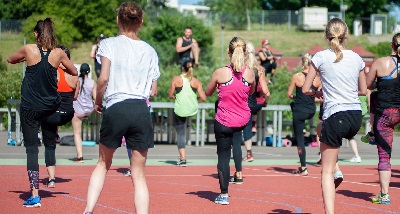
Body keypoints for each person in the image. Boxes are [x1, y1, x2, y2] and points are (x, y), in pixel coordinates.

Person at [84, 2, 160, 214]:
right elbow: (154, 89)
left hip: (117, 106)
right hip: (140, 109)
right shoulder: (150, 51)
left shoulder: (108, 44)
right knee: (138, 175)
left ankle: (88, 210)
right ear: (141, 22)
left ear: (118, 20)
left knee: (102, 164)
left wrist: (98, 100)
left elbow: (104, 77)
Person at [7, 18, 77, 207]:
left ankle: (35, 194)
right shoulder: (59, 53)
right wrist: (59, 65)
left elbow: (10, 59)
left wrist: (25, 59)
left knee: (31, 150)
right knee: (49, 134)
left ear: (37, 35)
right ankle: (54, 133)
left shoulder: (29, 49)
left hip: (30, 108)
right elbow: (74, 72)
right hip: (50, 107)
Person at [302, 18, 367, 214]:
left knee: (326, 172)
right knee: (323, 128)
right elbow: (363, 90)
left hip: (335, 113)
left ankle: (330, 211)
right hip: (355, 116)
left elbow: (306, 89)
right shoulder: (357, 58)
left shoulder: (320, 57)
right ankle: (337, 168)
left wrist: (318, 93)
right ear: (346, 35)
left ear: (326, 35)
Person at [205, 36, 255, 205]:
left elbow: (208, 92)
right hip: (241, 120)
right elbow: (250, 91)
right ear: (246, 52)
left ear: (229, 51)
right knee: (237, 144)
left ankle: (224, 194)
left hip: (224, 121)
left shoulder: (220, 72)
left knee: (223, 157)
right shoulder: (249, 73)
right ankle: (239, 173)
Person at [366, 33, 400, 205]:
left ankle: (385, 195)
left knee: (384, 156)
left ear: (391, 45)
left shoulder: (381, 62)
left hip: (385, 114)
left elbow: (368, 85)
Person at [41, 45, 79, 188]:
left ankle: (51, 179)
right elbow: (75, 97)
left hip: (53, 115)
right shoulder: (74, 75)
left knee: (49, 145)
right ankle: (55, 133)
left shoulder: (51, 72)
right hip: (68, 114)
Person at [287, 53, 321, 175]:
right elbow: (319, 96)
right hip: (311, 110)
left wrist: (296, 97)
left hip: (299, 111)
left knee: (299, 139)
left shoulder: (297, 77)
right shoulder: (317, 79)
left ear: (302, 63)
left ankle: (303, 167)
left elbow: (289, 94)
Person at [169, 60, 206, 166]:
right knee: (187, 125)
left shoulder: (176, 79)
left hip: (180, 109)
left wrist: (176, 97)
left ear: (182, 69)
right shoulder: (196, 81)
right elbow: (203, 98)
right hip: (192, 109)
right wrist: (195, 100)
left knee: (181, 133)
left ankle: (183, 158)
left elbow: (170, 94)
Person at [241, 41, 270, 163]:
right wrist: (265, 102)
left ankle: (243, 151)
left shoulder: (241, 69)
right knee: (248, 121)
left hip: (243, 103)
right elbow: (266, 92)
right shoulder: (260, 70)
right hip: (257, 103)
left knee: (241, 126)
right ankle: (248, 152)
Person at [72, 63, 97, 162]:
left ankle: (80, 156)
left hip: (78, 111)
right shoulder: (92, 82)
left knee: (77, 133)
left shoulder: (76, 81)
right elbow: (95, 97)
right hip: (89, 109)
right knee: (79, 131)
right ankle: (78, 154)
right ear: (89, 71)